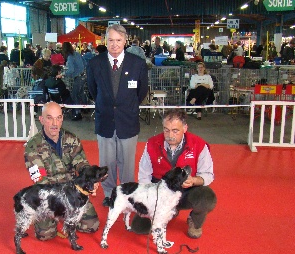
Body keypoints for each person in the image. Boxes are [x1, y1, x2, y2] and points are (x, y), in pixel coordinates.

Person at [86, 24, 148, 204]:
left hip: (127, 121)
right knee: (107, 163)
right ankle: (109, 194)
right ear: (105, 40)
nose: (114, 44)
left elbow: (141, 92)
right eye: (111, 40)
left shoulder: (138, 64)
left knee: (127, 163)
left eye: (118, 40)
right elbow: (92, 90)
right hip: (104, 121)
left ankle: (127, 194)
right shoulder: (94, 64)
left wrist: (125, 104)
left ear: (125, 41)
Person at [133, 109, 216, 238]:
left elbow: (208, 174)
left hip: (186, 192)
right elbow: (144, 176)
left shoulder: (199, 145)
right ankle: (171, 211)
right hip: (159, 193)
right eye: (166, 130)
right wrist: (149, 201)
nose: (170, 135)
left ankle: (195, 221)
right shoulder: (151, 144)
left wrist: (194, 180)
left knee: (207, 198)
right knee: (139, 228)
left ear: (185, 128)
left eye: (175, 131)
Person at [23, 101, 100, 241]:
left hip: (72, 192)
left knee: (91, 225)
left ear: (62, 119)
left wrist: (91, 180)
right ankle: (55, 216)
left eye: (58, 118)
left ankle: (66, 216)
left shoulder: (71, 139)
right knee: (45, 235)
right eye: (50, 118)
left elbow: (81, 164)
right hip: (49, 196)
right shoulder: (33, 146)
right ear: (41, 119)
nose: (55, 123)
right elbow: (41, 181)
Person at [62, 41, 86, 121]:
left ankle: (77, 113)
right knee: (81, 93)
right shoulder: (77, 54)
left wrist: (63, 74)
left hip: (78, 77)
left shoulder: (70, 57)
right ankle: (85, 108)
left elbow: (71, 70)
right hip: (83, 76)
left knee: (74, 95)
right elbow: (85, 63)